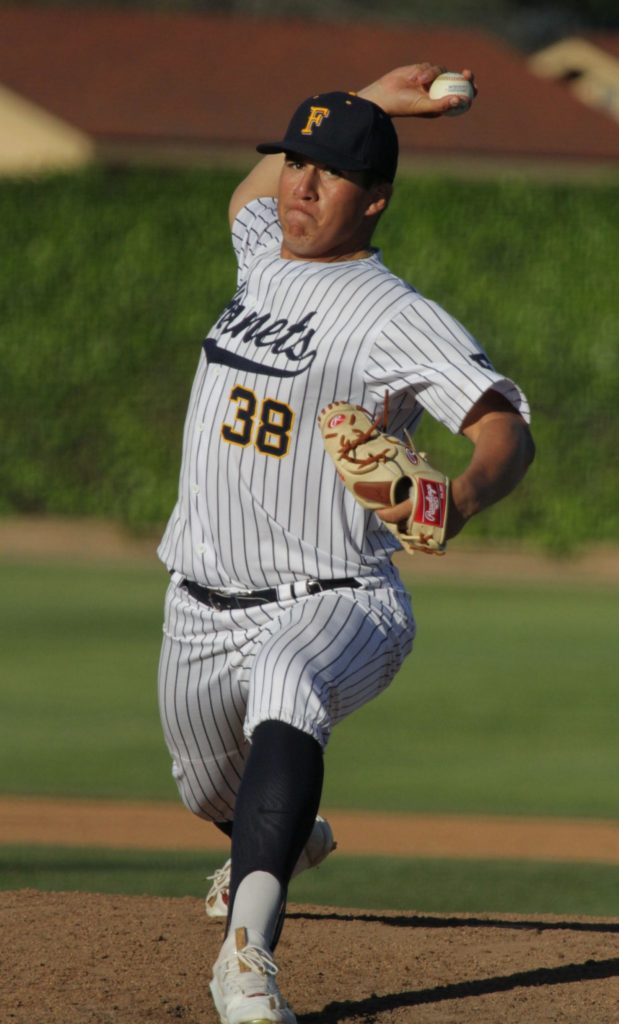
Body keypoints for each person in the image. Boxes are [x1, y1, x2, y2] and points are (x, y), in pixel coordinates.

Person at [156, 63, 535, 1024]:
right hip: (197, 603)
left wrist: (459, 495)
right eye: (295, 163)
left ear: (374, 203)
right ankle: (283, 837)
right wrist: (366, 98)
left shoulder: (394, 315)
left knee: (289, 681)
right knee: (209, 787)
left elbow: (504, 427)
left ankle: (246, 960)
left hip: (335, 595)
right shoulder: (263, 254)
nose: (299, 186)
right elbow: (247, 196)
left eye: (327, 174)